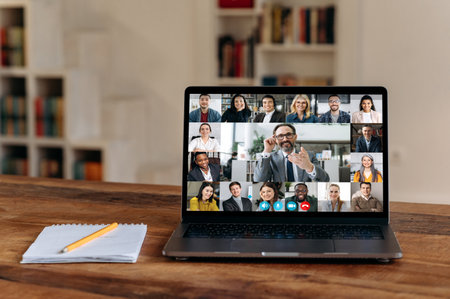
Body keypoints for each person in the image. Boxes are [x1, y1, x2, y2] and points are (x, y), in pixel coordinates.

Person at [253, 123, 329, 182]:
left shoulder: (309, 155)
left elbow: (325, 179)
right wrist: (266, 151)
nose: (285, 139)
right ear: (275, 139)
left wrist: (309, 167)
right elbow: (259, 179)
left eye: (288, 135)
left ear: (295, 137)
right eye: (280, 136)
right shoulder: (270, 158)